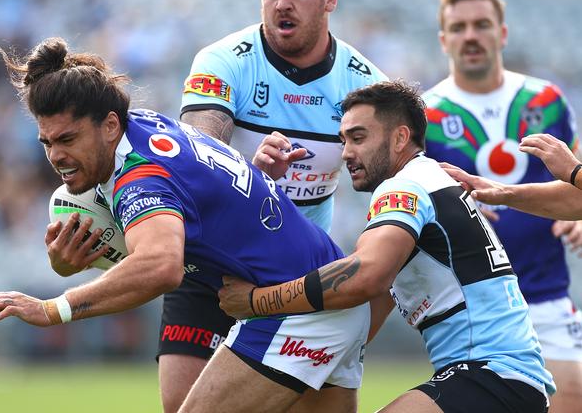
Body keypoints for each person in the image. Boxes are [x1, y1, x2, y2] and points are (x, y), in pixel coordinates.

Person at [0, 36, 380, 412]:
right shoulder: (147, 125)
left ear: (109, 125)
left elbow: (160, 265)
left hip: (298, 308)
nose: (56, 156)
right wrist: (72, 260)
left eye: (68, 139)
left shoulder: (140, 177)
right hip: (324, 292)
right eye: (47, 143)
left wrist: (54, 309)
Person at [218, 80, 554, 413]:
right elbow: (365, 312)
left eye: (359, 138)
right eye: (343, 140)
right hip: (508, 381)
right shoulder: (429, 181)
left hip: (491, 376)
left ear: (400, 138)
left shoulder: (404, 186)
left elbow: (365, 276)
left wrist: (256, 302)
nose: (346, 152)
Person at [167, 0, 387, 409]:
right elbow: (196, 158)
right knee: (180, 404)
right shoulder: (223, 61)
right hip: (212, 263)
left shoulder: (365, 86)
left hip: (301, 269)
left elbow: (394, 188)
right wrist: (247, 171)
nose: (281, 3)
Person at [422, 0, 582, 412]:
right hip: (475, 301)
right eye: (458, 28)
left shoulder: (545, 99)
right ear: (443, 40)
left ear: (503, 33)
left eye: (481, 24)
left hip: (545, 288)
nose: (470, 35)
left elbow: (575, 168)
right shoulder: (426, 114)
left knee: (573, 398)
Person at [440, 133, 582, 221]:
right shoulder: (432, 108)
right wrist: (505, 193)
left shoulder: (548, 97)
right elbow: (576, 200)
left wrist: (574, 171)